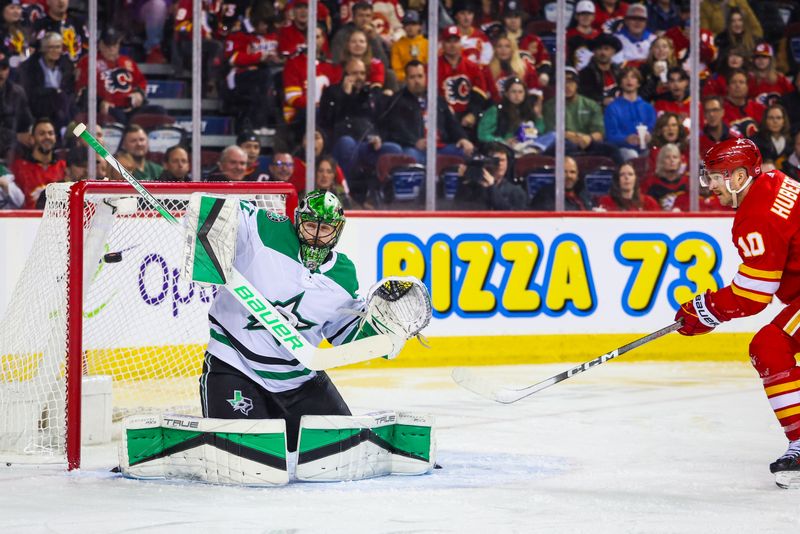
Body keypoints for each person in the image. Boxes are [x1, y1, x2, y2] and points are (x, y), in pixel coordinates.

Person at [199, 189, 428, 453]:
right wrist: (202, 220)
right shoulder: (265, 231)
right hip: (235, 367)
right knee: (249, 456)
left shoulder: (343, 274)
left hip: (300, 380)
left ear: (338, 231)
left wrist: (385, 332)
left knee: (347, 450)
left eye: (326, 229)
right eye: (310, 225)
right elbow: (222, 211)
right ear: (297, 220)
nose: (317, 235)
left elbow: (344, 334)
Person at [674, 137, 800, 488]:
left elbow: (755, 293)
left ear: (741, 175)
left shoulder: (756, 215)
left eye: (717, 177)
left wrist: (705, 310)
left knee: (770, 347)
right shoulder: (773, 181)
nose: (710, 185)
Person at [378, 60, 474, 164]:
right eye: (412, 77)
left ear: (425, 77)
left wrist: (462, 138)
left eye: (420, 76)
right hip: (414, 148)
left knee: (465, 152)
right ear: (406, 80)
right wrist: (414, 142)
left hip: (440, 147)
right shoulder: (396, 101)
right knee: (411, 157)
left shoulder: (437, 99)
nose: (417, 81)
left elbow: (452, 123)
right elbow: (395, 131)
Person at [543, 66, 622, 164]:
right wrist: (573, 136)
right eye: (563, 82)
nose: (567, 86)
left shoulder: (590, 104)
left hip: (587, 142)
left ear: (577, 84)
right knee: (567, 146)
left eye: (571, 82)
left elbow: (600, 132)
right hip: (563, 143)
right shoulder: (549, 106)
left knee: (612, 149)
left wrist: (589, 138)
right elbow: (551, 132)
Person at [75, 27, 151, 124]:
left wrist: (139, 94)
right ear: (100, 44)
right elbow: (81, 89)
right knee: (119, 117)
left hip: (130, 108)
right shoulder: (88, 61)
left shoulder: (128, 62)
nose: (111, 49)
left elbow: (141, 82)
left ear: (119, 45)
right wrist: (99, 102)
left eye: (114, 45)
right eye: (108, 45)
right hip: (106, 109)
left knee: (158, 111)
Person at [17, 32, 75, 133]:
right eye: (51, 47)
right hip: (39, 108)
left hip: (62, 108)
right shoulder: (30, 67)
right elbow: (30, 93)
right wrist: (53, 91)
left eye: (58, 47)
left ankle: (67, 132)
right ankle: (63, 130)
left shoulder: (67, 66)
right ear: (43, 49)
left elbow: (70, 90)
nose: (55, 51)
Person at [477, 77, 548, 156]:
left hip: (528, 144)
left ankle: (529, 151)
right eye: (513, 92)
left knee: (554, 135)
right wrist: (503, 141)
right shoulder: (496, 110)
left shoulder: (527, 110)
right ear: (506, 93)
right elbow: (482, 135)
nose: (517, 95)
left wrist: (538, 117)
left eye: (520, 92)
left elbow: (539, 132)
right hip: (504, 147)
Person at [10, 117, 65, 208]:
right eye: (42, 133)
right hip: (26, 220)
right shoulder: (18, 167)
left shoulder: (63, 166)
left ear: (55, 138)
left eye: (50, 133)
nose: (47, 137)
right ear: (32, 139)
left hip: (57, 220)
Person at [604, 66, 657, 161]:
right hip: (623, 149)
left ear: (639, 83)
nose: (629, 80)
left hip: (647, 148)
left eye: (633, 77)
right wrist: (626, 139)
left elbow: (654, 130)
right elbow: (610, 135)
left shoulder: (648, 108)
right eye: (625, 77)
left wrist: (650, 137)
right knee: (631, 155)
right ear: (620, 82)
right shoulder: (612, 108)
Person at [456, 142, 527, 210]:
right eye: (495, 161)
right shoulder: (473, 189)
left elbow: (511, 217)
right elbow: (459, 209)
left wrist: (491, 187)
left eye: (503, 160)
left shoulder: (516, 192)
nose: (500, 164)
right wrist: (462, 181)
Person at [529, 155, 593, 211]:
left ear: (577, 175)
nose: (569, 176)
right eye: (564, 172)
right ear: (556, 173)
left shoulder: (583, 193)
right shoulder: (546, 194)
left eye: (572, 172)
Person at [578, 32, 622, 107]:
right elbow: (585, 94)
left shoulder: (619, 72)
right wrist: (602, 100)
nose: (603, 53)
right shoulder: (585, 73)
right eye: (599, 49)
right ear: (594, 52)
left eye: (606, 49)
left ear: (613, 52)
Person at [640, 142, 687, 210]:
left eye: (675, 157)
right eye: (668, 157)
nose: (672, 160)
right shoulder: (649, 182)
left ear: (679, 161)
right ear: (661, 161)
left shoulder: (687, 182)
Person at [390, 10, 427, 84]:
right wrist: (409, 78)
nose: (410, 27)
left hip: (424, 80)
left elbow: (429, 66)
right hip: (404, 82)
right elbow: (396, 70)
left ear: (419, 26)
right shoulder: (397, 45)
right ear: (403, 27)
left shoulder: (427, 44)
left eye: (414, 24)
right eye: (407, 24)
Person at [638, 35, 678, 103]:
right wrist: (654, 77)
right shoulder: (644, 69)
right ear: (652, 50)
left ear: (671, 50)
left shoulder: (677, 69)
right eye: (657, 47)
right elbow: (641, 97)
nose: (661, 50)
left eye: (664, 47)